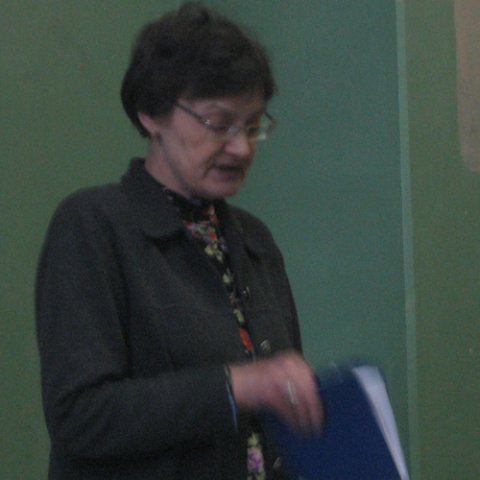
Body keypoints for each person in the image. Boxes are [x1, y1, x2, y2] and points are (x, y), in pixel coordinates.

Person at [35, 3, 323, 479]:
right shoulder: (92, 226)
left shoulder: (254, 240)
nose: (241, 148)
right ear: (152, 113)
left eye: (253, 126)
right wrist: (237, 385)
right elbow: (79, 416)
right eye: (219, 124)